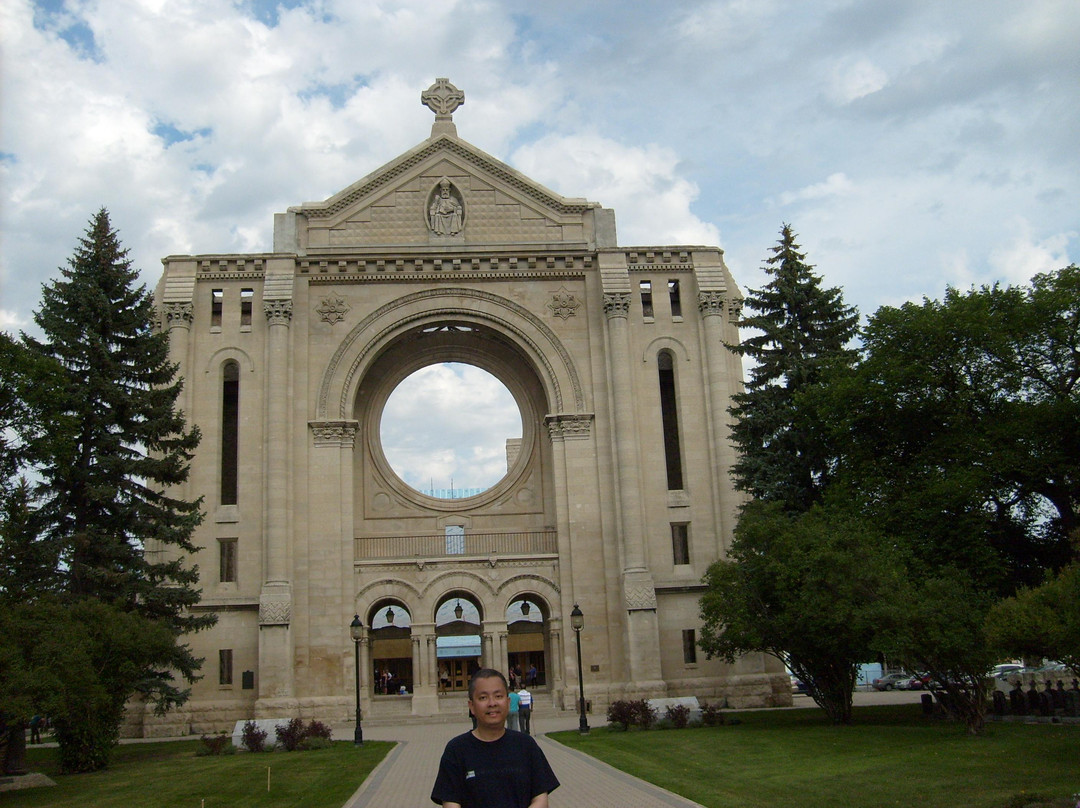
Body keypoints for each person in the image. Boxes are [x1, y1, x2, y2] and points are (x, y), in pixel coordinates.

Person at [432, 668, 559, 808]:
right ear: (471, 706)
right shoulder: (456, 750)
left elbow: (541, 799)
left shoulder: (526, 745)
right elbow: (451, 803)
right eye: (483, 698)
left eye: (498, 696)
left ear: (508, 702)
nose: (492, 703)